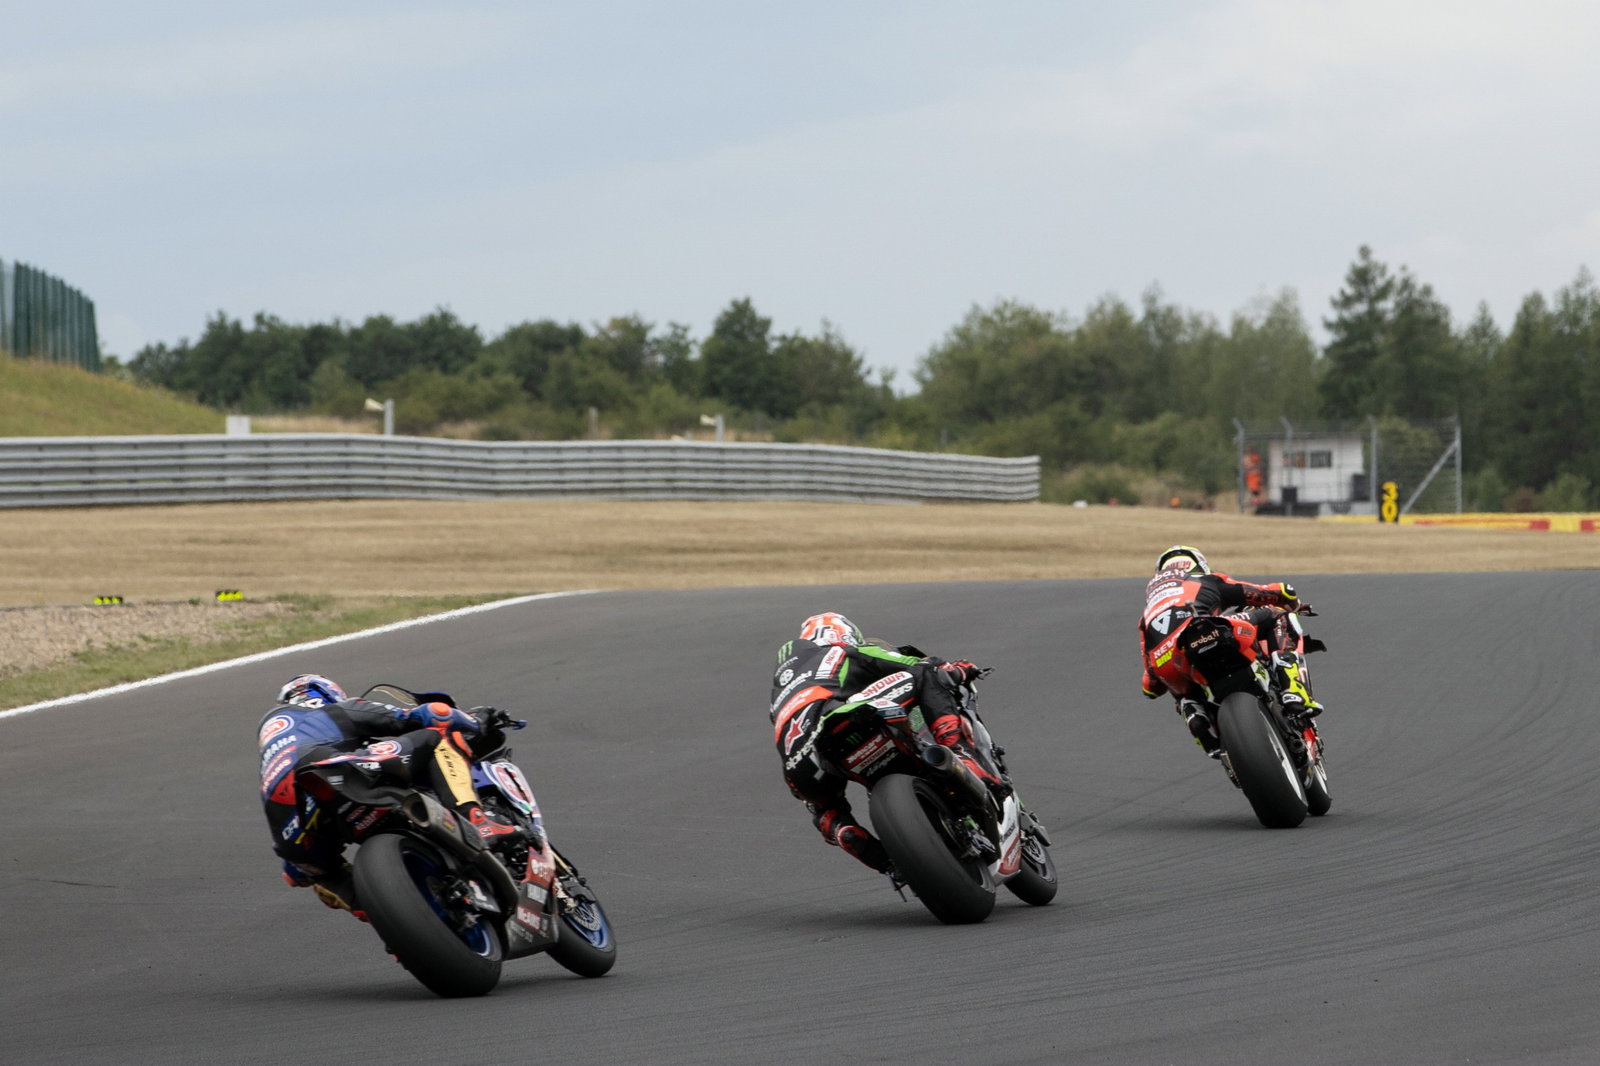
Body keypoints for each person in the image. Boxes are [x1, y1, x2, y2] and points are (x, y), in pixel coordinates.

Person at [257, 673, 525, 916]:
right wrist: (477, 723)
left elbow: (294, 874)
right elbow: (428, 714)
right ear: (325, 693)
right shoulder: (330, 709)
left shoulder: (273, 753)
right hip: (336, 770)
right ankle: (479, 821)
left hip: (289, 825)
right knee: (435, 737)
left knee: (320, 873)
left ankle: (386, 920)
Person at [769, 612, 998, 875]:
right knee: (928, 672)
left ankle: (879, 857)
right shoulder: (843, 652)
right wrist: (954, 669)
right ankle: (960, 751)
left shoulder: (779, 700)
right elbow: (910, 664)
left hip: (801, 767)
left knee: (826, 813)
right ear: (842, 635)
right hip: (849, 718)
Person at [1138, 545, 1324, 758]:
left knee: (1180, 689)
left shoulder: (1146, 617)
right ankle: (1293, 692)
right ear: (1199, 566)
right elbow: (1271, 592)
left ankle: (1195, 716)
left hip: (1169, 660)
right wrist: (1291, 601)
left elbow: (1150, 687)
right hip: (1210, 630)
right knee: (1278, 615)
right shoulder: (1204, 581)